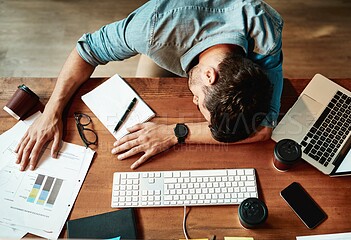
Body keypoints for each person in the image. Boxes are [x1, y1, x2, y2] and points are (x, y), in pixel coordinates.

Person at [15, 0, 284, 171]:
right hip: (173, 34)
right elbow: (87, 51)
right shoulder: (150, 29)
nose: (193, 102)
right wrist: (51, 111)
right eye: (200, 102)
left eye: (200, 104)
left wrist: (176, 132)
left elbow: (261, 129)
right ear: (210, 76)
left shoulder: (265, 34)